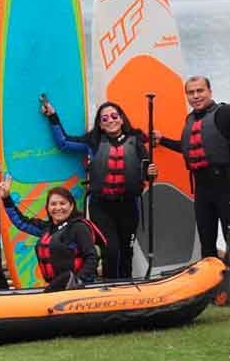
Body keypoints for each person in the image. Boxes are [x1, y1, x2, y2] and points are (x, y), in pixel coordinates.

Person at [154, 67, 230, 303]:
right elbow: (187, 147)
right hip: (202, 186)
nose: (196, 96)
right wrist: (162, 141)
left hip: (226, 183)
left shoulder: (224, 113)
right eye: (191, 92)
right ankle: (211, 288)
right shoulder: (190, 120)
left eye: (200, 91)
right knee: (207, 239)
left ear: (210, 91)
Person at [40, 100, 157, 280]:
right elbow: (64, 142)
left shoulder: (136, 142)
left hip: (129, 206)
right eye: (105, 118)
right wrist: (52, 116)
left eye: (114, 116)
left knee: (126, 250)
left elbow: (147, 173)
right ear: (100, 125)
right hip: (101, 206)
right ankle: (109, 285)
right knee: (110, 250)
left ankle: (126, 287)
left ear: (121, 119)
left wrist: (151, 173)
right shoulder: (92, 142)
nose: (110, 120)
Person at [0, 176, 99, 290]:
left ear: (71, 207)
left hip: (78, 286)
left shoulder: (79, 227)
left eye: (62, 203)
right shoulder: (47, 229)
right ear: (48, 208)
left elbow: (92, 257)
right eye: (53, 204)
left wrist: (78, 281)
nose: (58, 208)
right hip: (57, 286)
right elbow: (21, 222)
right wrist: (6, 198)